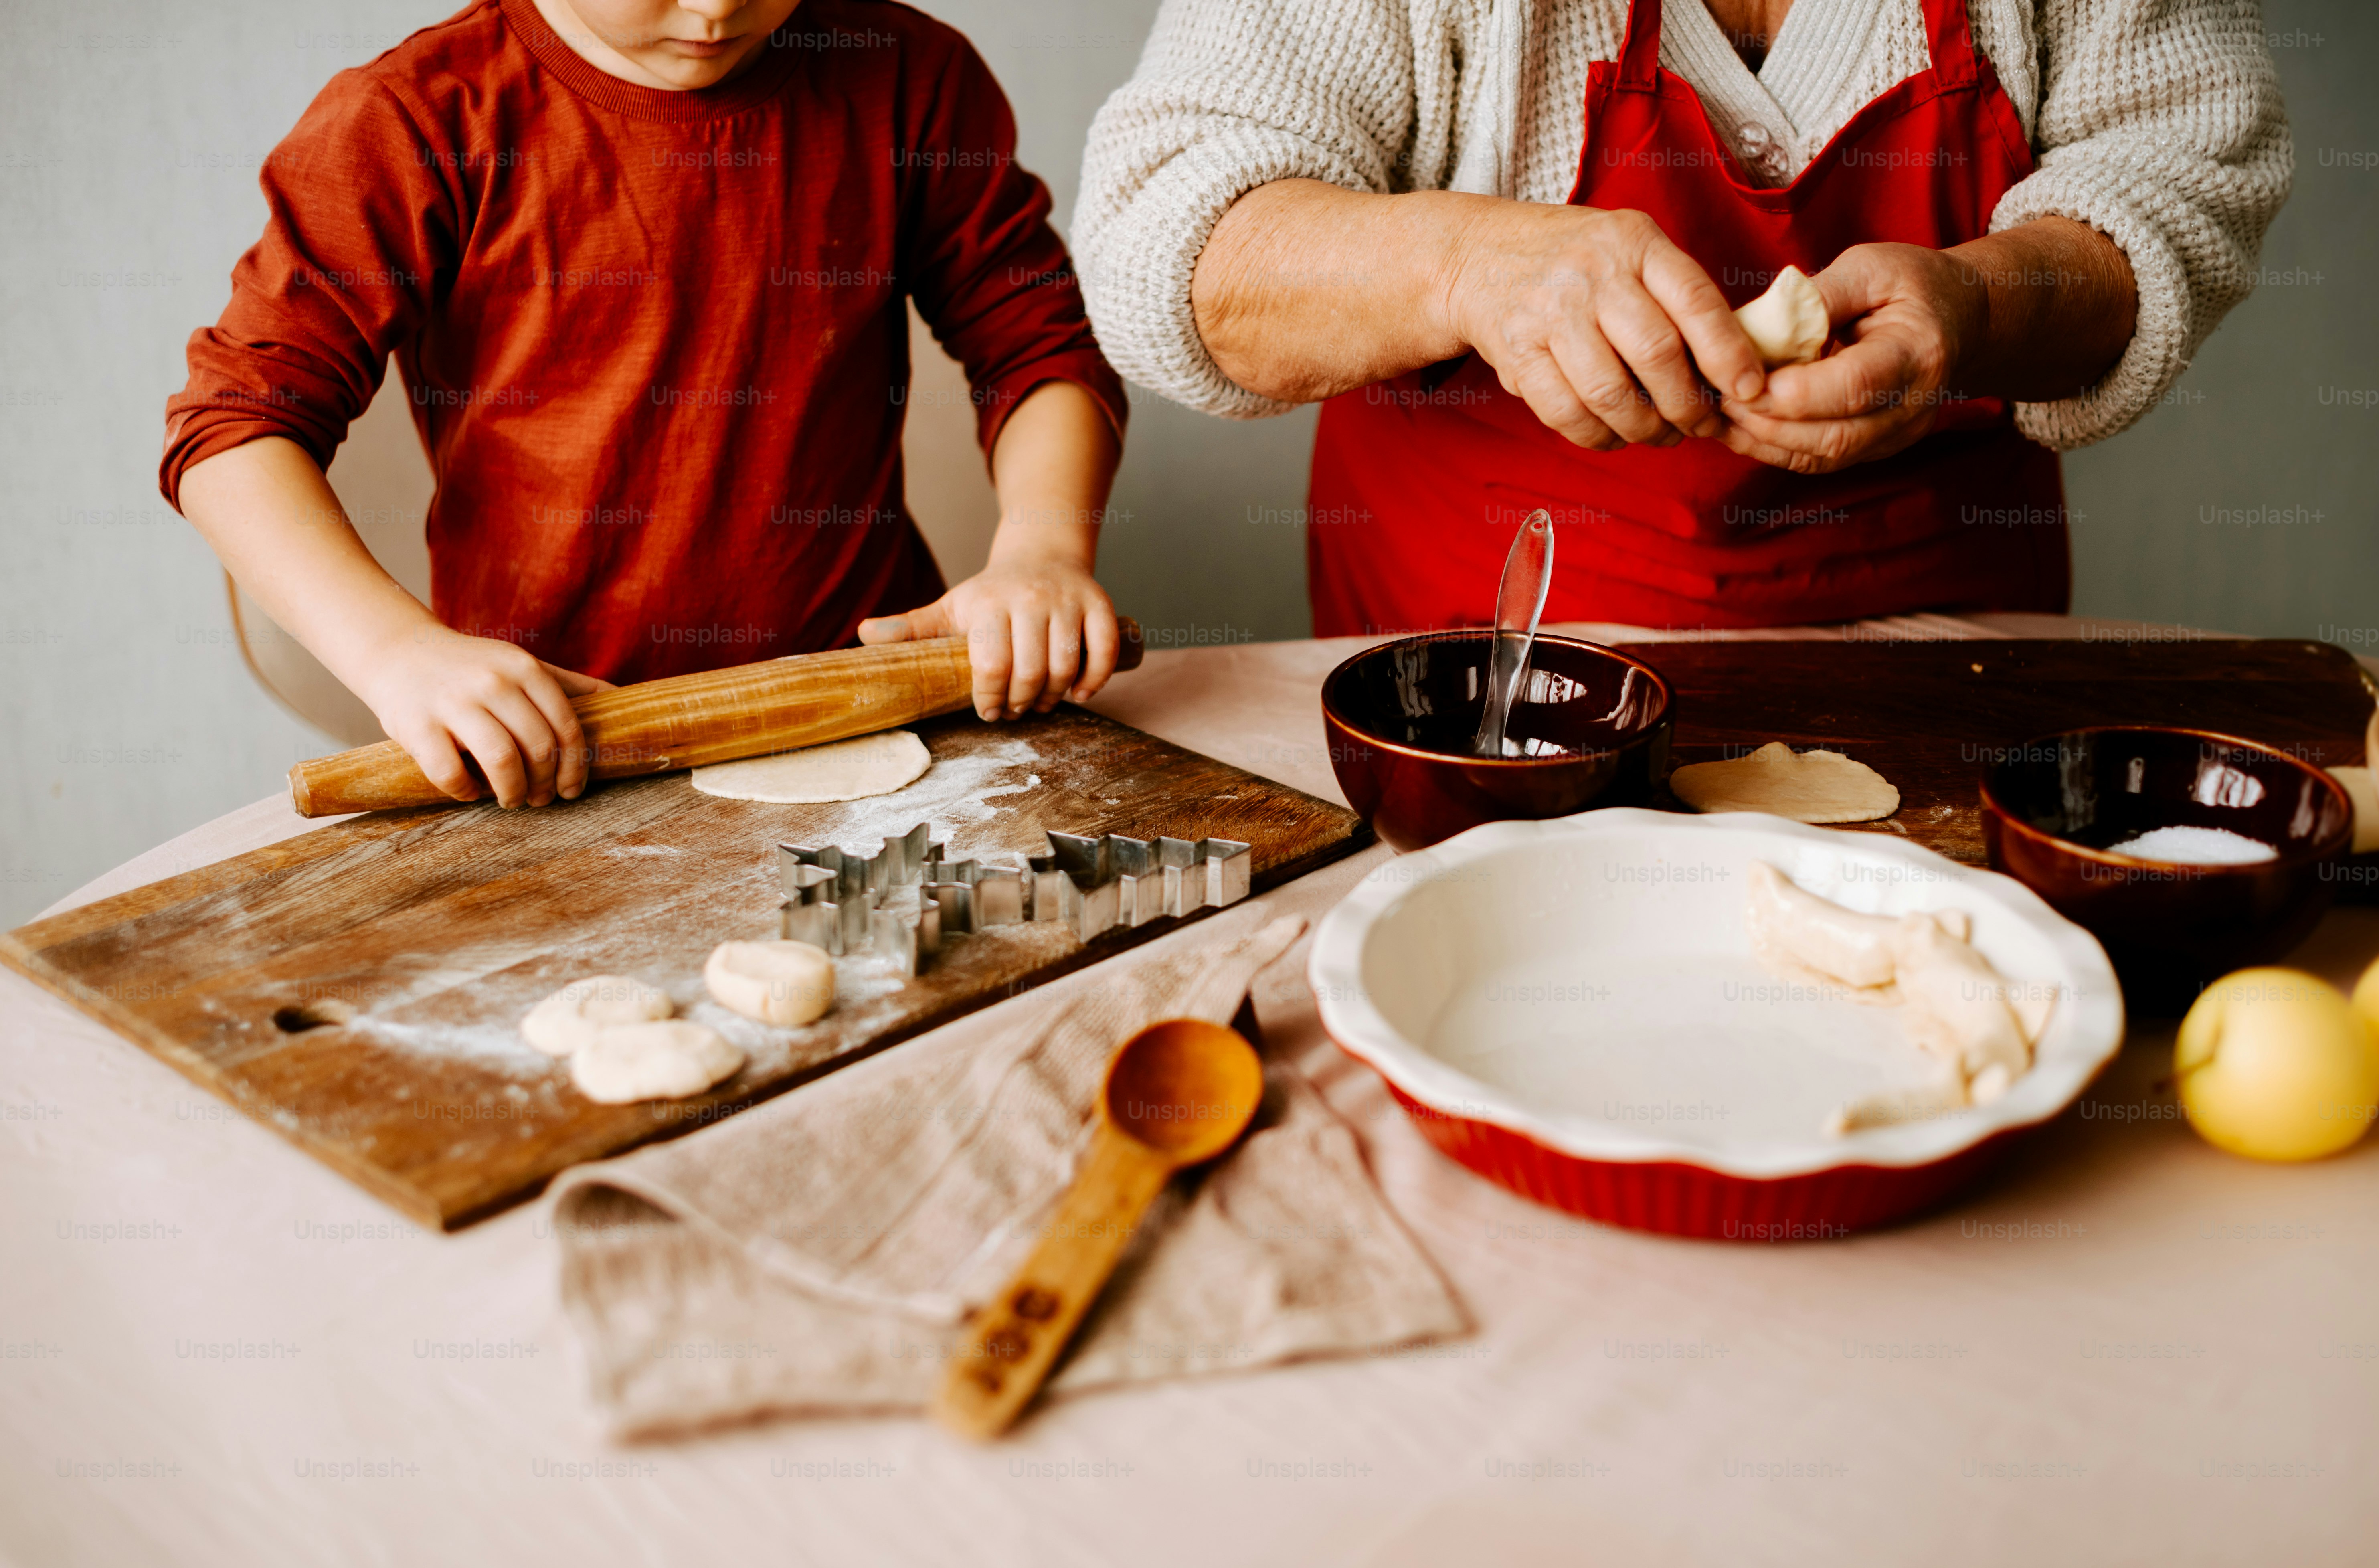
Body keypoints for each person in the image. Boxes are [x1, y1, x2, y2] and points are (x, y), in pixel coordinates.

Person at [165, 0, 1129, 809]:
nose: (715, 9)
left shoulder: (908, 77)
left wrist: (1043, 552)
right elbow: (234, 433)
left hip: (873, 707)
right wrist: (396, 652)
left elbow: (1040, 346)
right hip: (553, 749)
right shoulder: (415, 119)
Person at [1075, 0, 2287, 637]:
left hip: (1941, 675)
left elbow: (2180, 170)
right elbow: (1163, 244)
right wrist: (1465, 266)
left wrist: (1974, 302)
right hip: (1476, 678)